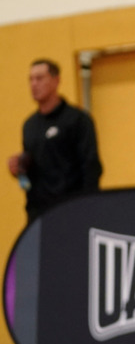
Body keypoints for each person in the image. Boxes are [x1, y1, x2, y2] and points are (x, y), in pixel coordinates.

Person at [8, 59, 103, 222]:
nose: (34, 84)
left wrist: (87, 207)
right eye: (30, 79)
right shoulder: (29, 125)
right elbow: (32, 172)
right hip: (38, 214)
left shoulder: (77, 120)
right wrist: (19, 169)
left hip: (71, 210)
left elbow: (91, 166)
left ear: (56, 80)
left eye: (39, 78)